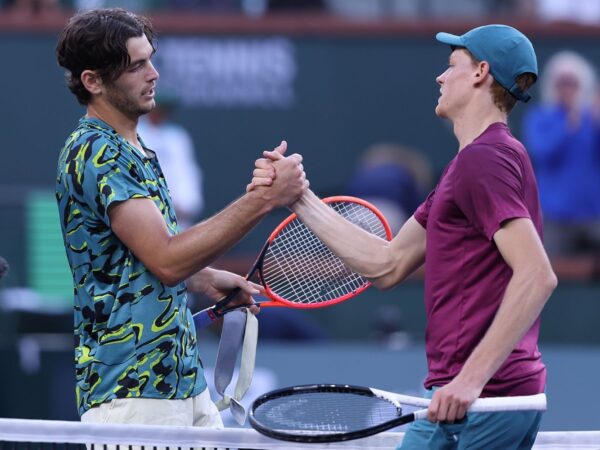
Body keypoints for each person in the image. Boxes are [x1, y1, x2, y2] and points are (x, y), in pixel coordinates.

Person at [250, 24, 557, 449]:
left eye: (451, 66)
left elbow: (537, 275)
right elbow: (387, 264)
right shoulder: (473, 163)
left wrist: (470, 380)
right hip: (468, 399)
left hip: (487, 400)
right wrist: (299, 197)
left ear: (480, 72)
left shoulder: (484, 160)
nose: (440, 77)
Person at [55, 8, 306, 428]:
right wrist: (264, 199)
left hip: (184, 385)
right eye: (136, 66)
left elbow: (136, 259)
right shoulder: (96, 151)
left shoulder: (134, 148)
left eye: (151, 58)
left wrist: (203, 277)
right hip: (133, 394)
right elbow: (166, 260)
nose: (153, 73)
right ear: (92, 81)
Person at [522, 50, 600, 258]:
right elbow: (542, 152)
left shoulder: (592, 119)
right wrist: (567, 127)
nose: (567, 89)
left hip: (593, 217)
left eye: (572, 83)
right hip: (556, 218)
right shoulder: (540, 118)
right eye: (562, 83)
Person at [137, 97, 204, 230]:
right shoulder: (135, 133)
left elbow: (186, 173)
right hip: (144, 217)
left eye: (163, 110)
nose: (159, 114)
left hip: (178, 217)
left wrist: (186, 204)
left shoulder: (177, 137)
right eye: (155, 108)